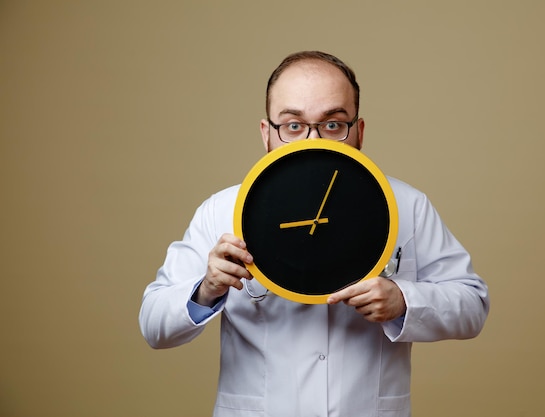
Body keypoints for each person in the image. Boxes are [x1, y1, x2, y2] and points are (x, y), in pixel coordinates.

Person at [139, 51, 489, 417]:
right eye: (293, 126)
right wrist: (207, 289)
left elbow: (472, 305)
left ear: (359, 132)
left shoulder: (407, 205)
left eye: (333, 125)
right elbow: (153, 325)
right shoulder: (222, 211)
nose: (312, 140)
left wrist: (404, 302)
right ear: (266, 134)